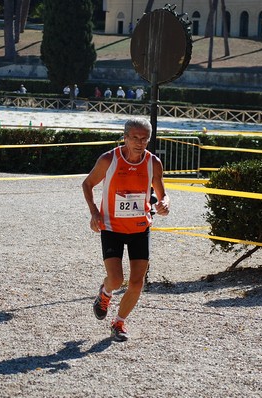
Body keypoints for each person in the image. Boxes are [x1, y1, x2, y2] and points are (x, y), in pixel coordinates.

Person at [82, 118, 170, 342]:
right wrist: (94, 212)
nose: (140, 143)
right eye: (135, 138)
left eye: (144, 139)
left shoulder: (153, 163)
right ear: (125, 137)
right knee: (116, 278)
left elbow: (162, 194)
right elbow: (87, 184)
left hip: (140, 227)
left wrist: (165, 204)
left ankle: (119, 322)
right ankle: (105, 293)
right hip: (112, 227)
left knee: (136, 282)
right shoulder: (109, 159)